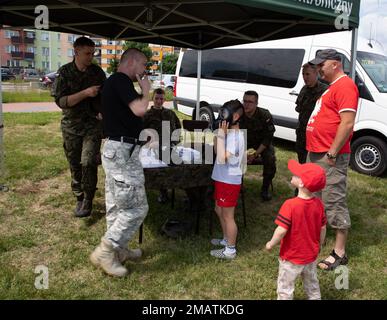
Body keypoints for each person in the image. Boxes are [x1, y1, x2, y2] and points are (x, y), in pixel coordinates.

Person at [90, 48, 151, 277]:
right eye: (144, 65)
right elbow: (140, 108)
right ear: (133, 62)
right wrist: (146, 91)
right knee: (137, 207)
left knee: (116, 205)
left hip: (118, 149)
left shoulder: (114, 82)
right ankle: (106, 250)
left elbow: (119, 115)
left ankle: (118, 251)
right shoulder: (121, 80)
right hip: (122, 152)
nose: (145, 70)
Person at [306, 49, 359, 271]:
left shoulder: (346, 85)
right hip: (317, 152)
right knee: (315, 198)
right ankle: (316, 241)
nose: (319, 69)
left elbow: (347, 123)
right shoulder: (332, 88)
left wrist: (332, 153)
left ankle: (339, 253)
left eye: (322, 64)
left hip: (329, 155)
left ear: (335, 64)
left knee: (333, 199)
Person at [53, 36, 106, 218]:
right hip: (71, 127)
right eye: (87, 53)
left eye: (93, 53)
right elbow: (62, 101)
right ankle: (79, 196)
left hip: (92, 125)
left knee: (88, 162)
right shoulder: (65, 73)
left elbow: (103, 98)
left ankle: (89, 200)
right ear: (76, 52)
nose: (91, 57)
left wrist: (102, 111)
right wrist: (85, 93)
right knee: (75, 163)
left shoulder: (97, 73)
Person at [266, 159, 327, 300]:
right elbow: (322, 228)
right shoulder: (319, 204)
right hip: (311, 255)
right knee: (312, 284)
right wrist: (319, 244)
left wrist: (271, 243)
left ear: (301, 183)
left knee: (285, 287)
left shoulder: (290, 205)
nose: (293, 174)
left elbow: (281, 230)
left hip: (291, 257)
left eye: (296, 174)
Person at [210, 100, 245, 260]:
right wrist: (220, 135)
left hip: (229, 181)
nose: (221, 118)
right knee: (219, 210)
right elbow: (218, 152)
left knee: (227, 215)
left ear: (236, 116)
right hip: (221, 178)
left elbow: (223, 158)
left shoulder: (236, 138)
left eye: (224, 115)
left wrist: (222, 136)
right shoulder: (228, 134)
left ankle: (230, 250)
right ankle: (226, 239)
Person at [143, 88, 181, 203]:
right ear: (152, 99)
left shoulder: (170, 113)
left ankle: (180, 185)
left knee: (179, 163)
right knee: (160, 165)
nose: (159, 101)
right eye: (157, 98)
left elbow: (178, 129)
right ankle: (163, 191)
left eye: (161, 99)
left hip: (169, 146)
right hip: (152, 148)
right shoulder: (147, 115)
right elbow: (141, 133)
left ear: (164, 100)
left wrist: (174, 142)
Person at [239, 90, 276, 201]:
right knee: (233, 155)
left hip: (261, 144)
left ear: (256, 104)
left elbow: (268, 138)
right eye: (245, 101)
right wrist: (243, 153)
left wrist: (255, 154)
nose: (246, 104)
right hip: (243, 142)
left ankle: (265, 188)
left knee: (270, 158)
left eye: (250, 102)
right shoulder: (238, 114)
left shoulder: (264, 115)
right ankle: (237, 184)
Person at [295, 63, 328, 164]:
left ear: (316, 73)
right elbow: (299, 109)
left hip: (315, 135)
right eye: (303, 74)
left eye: (307, 74)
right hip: (302, 134)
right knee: (302, 161)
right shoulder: (304, 89)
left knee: (314, 164)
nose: (305, 77)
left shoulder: (325, 90)